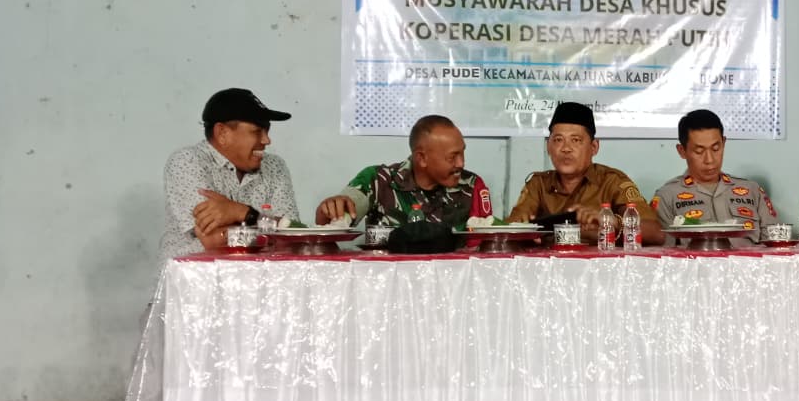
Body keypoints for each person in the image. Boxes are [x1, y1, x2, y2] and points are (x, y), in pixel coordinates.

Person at [160, 88, 300, 260]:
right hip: (195, 275)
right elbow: (213, 240)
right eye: (257, 131)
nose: (266, 140)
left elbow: (295, 236)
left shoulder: (274, 166)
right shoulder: (187, 161)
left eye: (267, 130)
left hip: (258, 275)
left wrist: (243, 213)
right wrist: (268, 226)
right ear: (222, 133)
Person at [506, 101, 664, 245]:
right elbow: (511, 228)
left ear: (594, 147)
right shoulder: (538, 184)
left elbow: (656, 234)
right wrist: (522, 230)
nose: (566, 148)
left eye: (575, 140)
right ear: (548, 147)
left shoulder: (613, 181)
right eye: (558, 140)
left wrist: (611, 222)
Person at [315, 115, 492, 228]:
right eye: (452, 157)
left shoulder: (471, 185)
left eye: (462, 153)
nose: (461, 163)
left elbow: (486, 243)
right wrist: (331, 208)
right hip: (387, 275)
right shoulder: (378, 180)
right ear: (422, 158)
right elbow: (338, 215)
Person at [652, 109, 778, 243]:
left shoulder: (752, 191)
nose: (709, 160)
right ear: (682, 151)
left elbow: (775, 243)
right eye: (699, 151)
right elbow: (664, 251)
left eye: (715, 149)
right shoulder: (667, 197)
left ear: (723, 143)